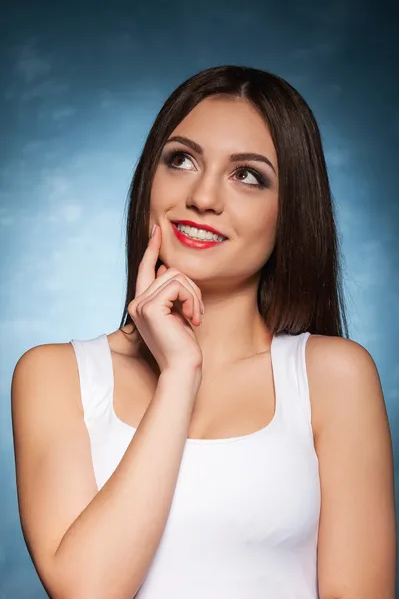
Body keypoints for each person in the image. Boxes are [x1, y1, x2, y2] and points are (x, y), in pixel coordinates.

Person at [11, 65, 396, 599]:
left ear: (290, 213)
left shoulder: (333, 376)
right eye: (182, 160)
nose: (204, 196)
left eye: (248, 175)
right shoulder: (54, 375)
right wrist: (179, 374)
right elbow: (87, 590)